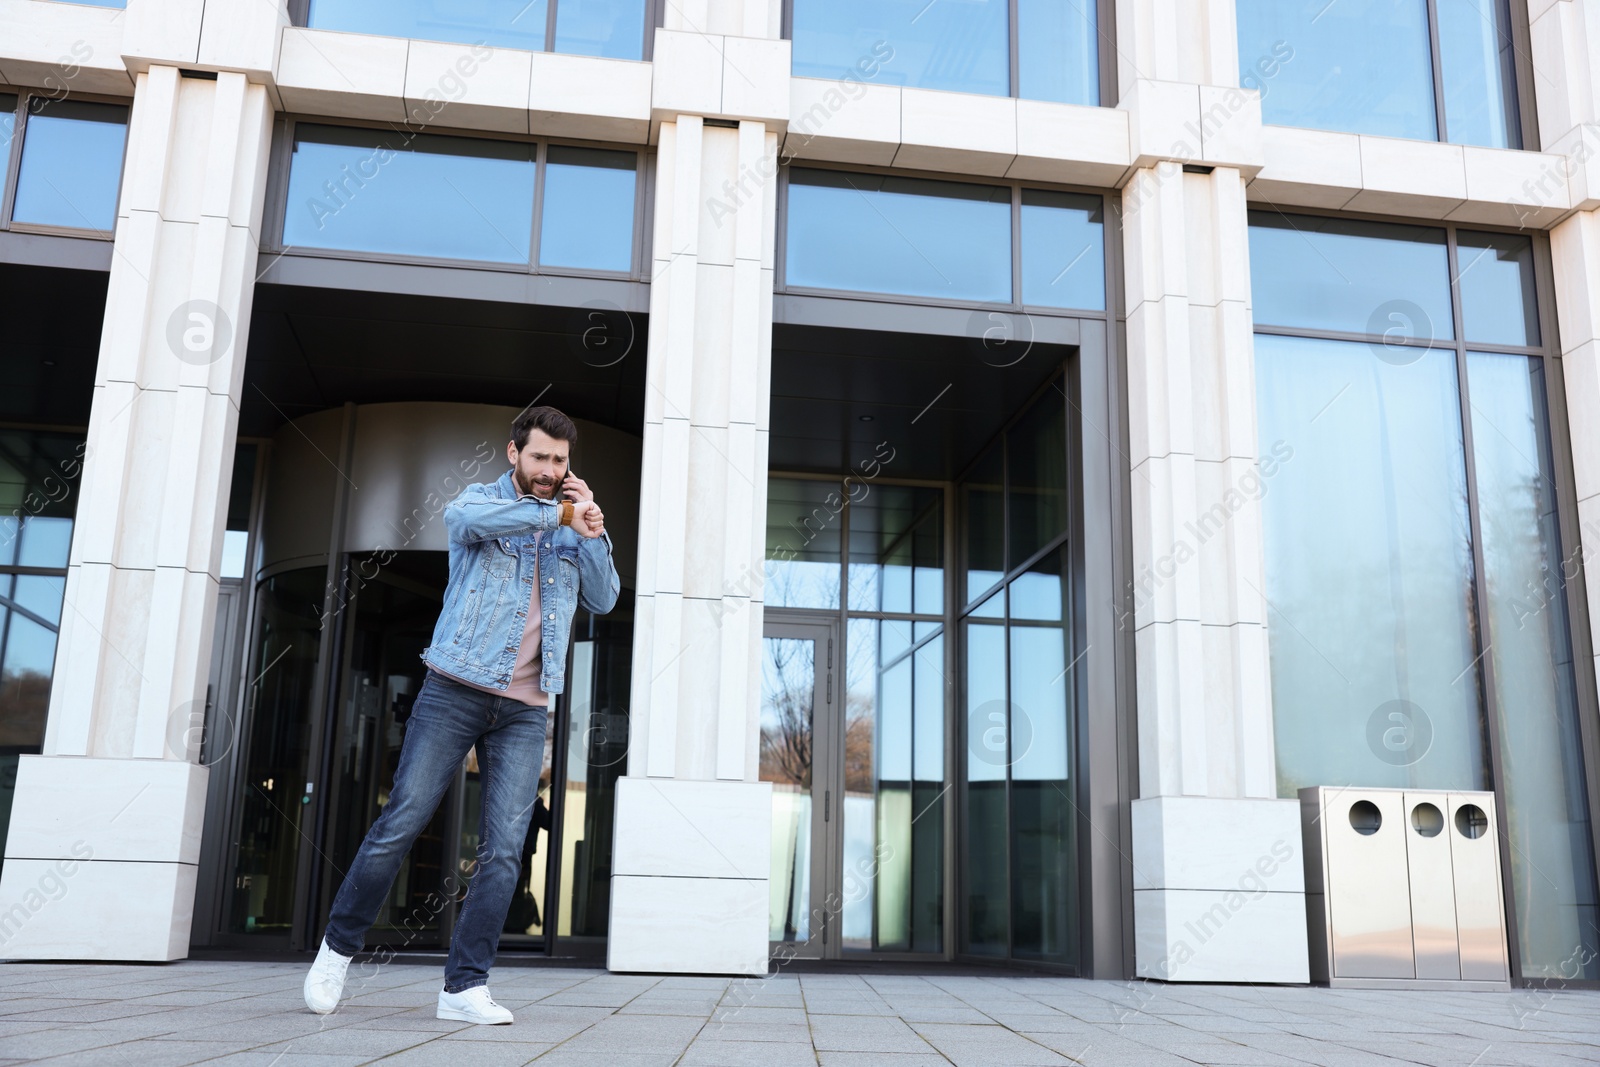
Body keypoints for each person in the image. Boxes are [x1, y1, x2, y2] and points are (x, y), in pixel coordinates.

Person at [303, 405, 619, 1025]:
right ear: (514, 454)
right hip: (456, 687)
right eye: (540, 458)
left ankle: (463, 987)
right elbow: (464, 519)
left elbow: (604, 598)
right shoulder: (481, 501)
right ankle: (337, 950)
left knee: (504, 850)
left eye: (560, 461)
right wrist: (558, 513)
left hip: (528, 707)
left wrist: (593, 534)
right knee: (403, 820)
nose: (551, 471)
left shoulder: (572, 522)